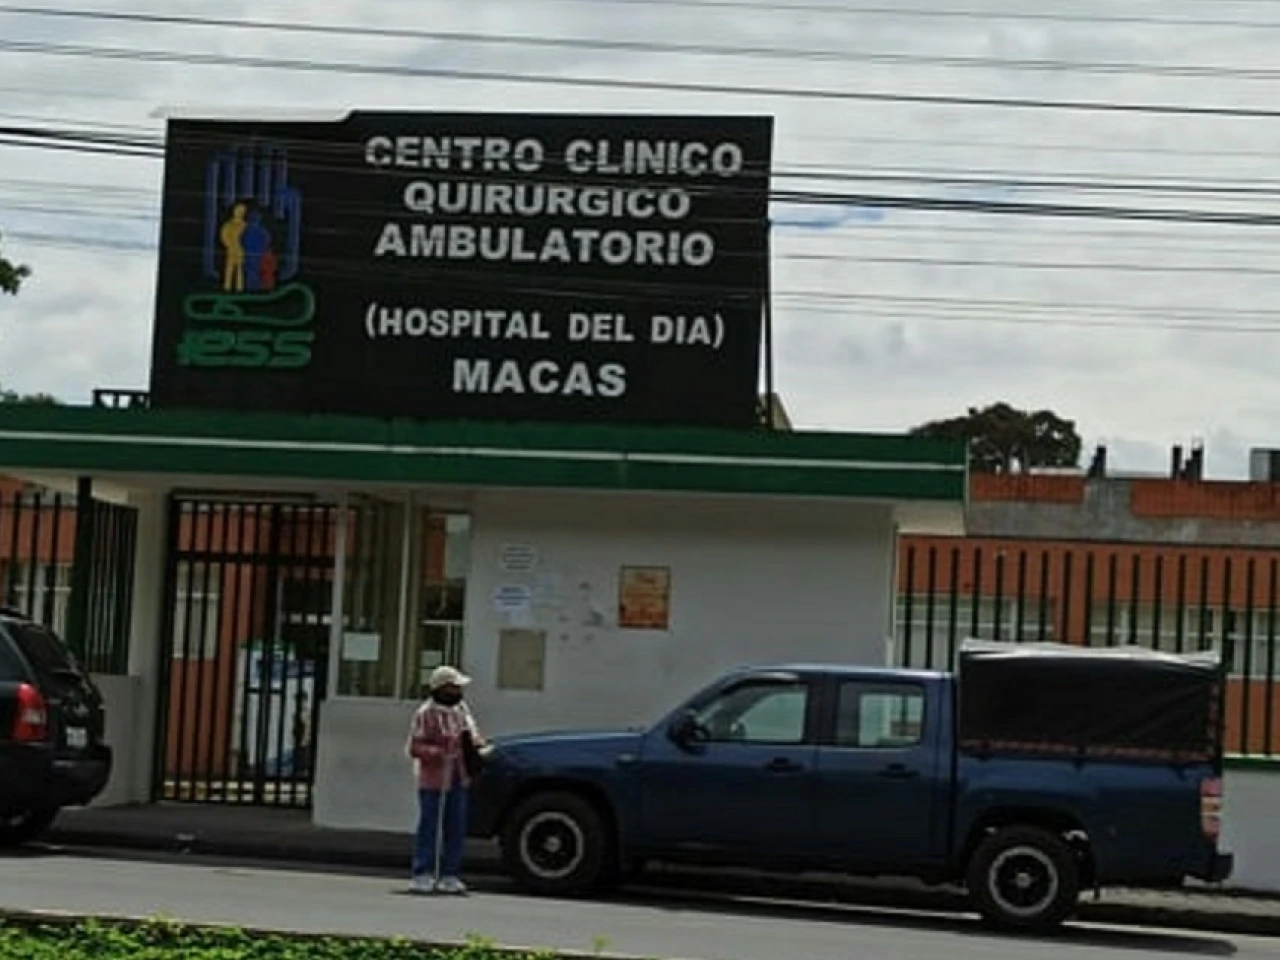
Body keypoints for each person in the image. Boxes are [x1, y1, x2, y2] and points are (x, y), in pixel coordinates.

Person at [405, 665, 484, 895]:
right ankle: (422, 872)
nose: (458, 691)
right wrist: (438, 753)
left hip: (458, 776)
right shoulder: (426, 713)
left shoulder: (461, 710)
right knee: (430, 826)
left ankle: (450, 873)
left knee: (455, 827)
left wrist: (477, 744)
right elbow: (414, 747)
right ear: (442, 688)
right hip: (434, 780)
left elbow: (472, 733)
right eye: (454, 687)